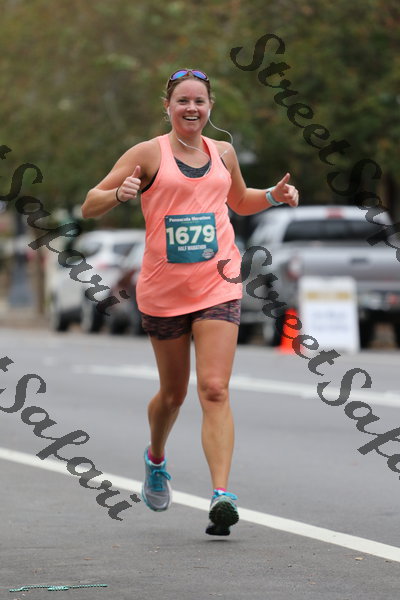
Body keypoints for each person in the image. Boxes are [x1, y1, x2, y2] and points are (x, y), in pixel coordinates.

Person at [82, 68, 299, 536]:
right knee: (173, 394)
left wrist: (273, 196)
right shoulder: (148, 153)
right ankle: (156, 457)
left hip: (218, 284)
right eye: (182, 100)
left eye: (199, 101)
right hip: (163, 292)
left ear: (210, 107)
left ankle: (222, 495)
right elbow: (89, 204)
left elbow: (240, 201)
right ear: (168, 107)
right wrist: (118, 193)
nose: (191, 108)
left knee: (215, 388)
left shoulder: (223, 152)